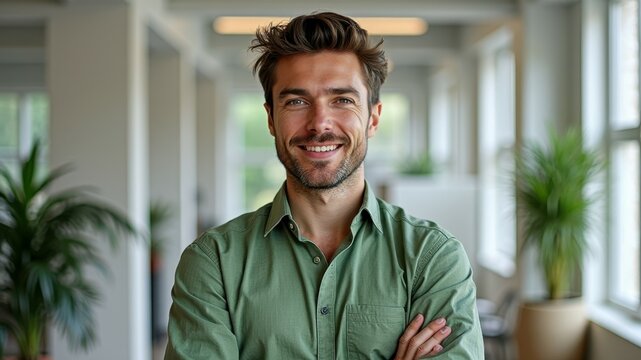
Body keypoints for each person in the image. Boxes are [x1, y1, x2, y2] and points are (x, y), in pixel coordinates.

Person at [165, 11, 483, 359]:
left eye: (342, 100)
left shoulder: (432, 258)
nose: (319, 124)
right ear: (271, 119)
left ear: (374, 118)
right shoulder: (214, 264)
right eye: (296, 101)